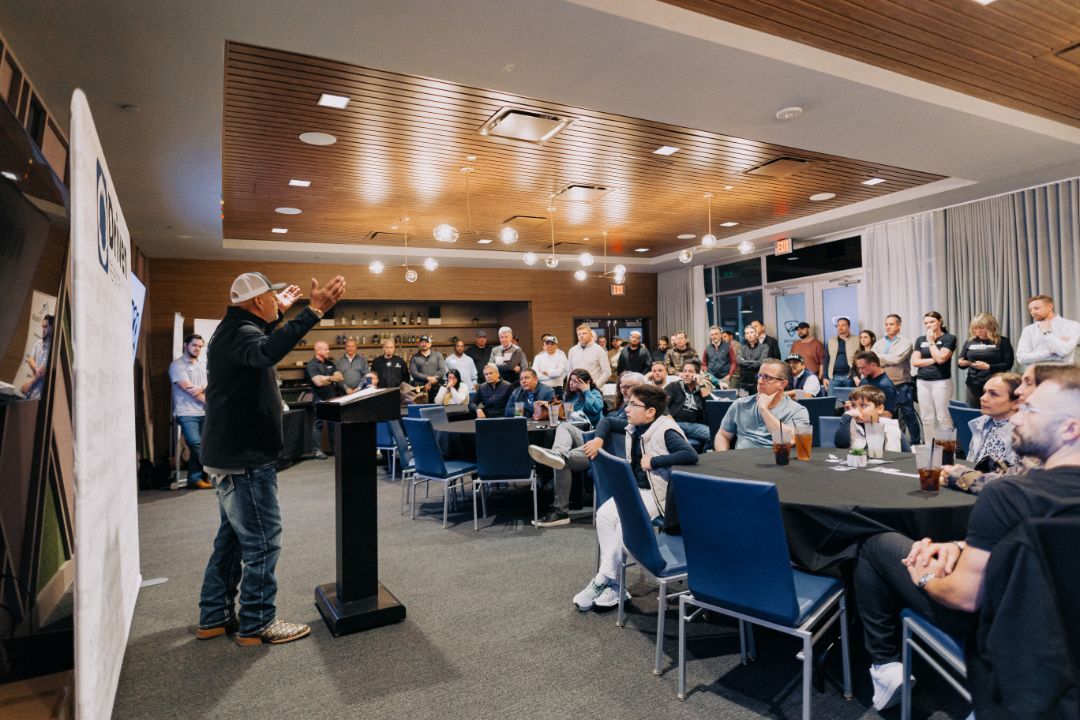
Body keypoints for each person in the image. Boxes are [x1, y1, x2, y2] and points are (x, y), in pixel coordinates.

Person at [851, 375, 1080, 711]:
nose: (1016, 416)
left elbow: (962, 595)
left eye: (1030, 410)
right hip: (1061, 650)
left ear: (1069, 430)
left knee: (875, 544)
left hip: (1006, 642)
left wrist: (924, 573)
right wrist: (960, 545)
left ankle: (884, 665)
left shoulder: (1008, 495)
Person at [198, 271, 344, 646]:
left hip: (228, 455)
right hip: (244, 458)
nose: (276, 300)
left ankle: (214, 616)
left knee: (231, 540)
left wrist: (278, 314)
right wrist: (314, 311)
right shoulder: (243, 333)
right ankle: (257, 623)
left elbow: (261, 343)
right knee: (263, 540)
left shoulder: (233, 330)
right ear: (254, 302)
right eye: (270, 297)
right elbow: (266, 350)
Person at [530, 384, 697, 569]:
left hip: (656, 494)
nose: (627, 408)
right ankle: (610, 580)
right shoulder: (634, 425)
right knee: (603, 515)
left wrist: (655, 460)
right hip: (636, 488)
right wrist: (599, 439)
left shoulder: (666, 430)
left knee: (622, 523)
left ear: (650, 412)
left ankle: (607, 579)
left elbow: (690, 455)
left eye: (633, 404)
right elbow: (607, 421)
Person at [939, 372, 1021, 491]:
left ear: (1016, 403)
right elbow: (973, 464)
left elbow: (1009, 483)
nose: (983, 398)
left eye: (993, 394)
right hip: (974, 485)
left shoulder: (1023, 435)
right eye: (984, 392)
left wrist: (960, 478)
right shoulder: (980, 424)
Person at [714, 359, 811, 450]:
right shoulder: (740, 405)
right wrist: (724, 457)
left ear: (782, 384)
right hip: (741, 462)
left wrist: (764, 410)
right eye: (759, 376)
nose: (760, 381)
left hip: (776, 463)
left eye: (767, 378)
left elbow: (791, 440)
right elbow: (723, 435)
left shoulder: (797, 410)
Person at [170, 333, 210, 488]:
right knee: (196, 444)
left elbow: (209, 384)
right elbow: (188, 390)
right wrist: (210, 402)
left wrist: (202, 387)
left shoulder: (202, 364)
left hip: (204, 412)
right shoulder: (177, 366)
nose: (197, 349)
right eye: (194, 345)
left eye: (200, 346)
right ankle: (199, 477)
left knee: (205, 445)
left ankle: (199, 478)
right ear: (185, 345)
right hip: (187, 413)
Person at [873, 314, 922, 444]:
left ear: (898, 325)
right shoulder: (879, 342)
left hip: (901, 383)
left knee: (908, 414)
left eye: (891, 324)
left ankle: (915, 443)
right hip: (883, 384)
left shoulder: (906, 342)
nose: (888, 327)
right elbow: (872, 359)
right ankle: (892, 443)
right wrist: (887, 359)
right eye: (886, 324)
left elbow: (897, 359)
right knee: (887, 415)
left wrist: (881, 358)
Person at [912, 311, 957, 438]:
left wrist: (931, 341)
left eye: (932, 321)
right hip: (922, 381)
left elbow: (942, 359)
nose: (929, 325)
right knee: (926, 417)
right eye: (926, 323)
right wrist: (934, 360)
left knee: (943, 417)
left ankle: (948, 451)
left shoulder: (949, 338)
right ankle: (929, 448)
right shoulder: (920, 340)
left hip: (941, 382)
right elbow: (915, 362)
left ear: (940, 321)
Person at [957, 313, 1015, 407]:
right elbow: (961, 361)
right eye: (975, 328)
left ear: (990, 327)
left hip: (995, 384)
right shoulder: (970, 341)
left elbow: (1008, 364)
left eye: (981, 328)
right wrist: (962, 363)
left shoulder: (1002, 342)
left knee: (994, 411)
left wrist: (988, 367)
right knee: (974, 413)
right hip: (973, 384)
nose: (977, 331)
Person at [1015, 294, 1080, 367]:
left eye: (1036, 308)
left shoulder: (1071, 325)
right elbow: (1021, 358)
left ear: (1050, 307)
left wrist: (1047, 332)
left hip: (1063, 374)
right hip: (1035, 374)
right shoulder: (1028, 329)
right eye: (1030, 310)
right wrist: (1050, 352)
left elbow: (1064, 351)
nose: (1033, 312)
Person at [833, 385, 903, 452]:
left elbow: (907, 454)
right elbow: (841, 445)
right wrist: (846, 416)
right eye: (853, 405)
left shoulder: (890, 426)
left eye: (863, 405)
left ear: (880, 409)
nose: (856, 410)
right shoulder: (849, 424)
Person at [305, 340, 344, 459]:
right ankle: (316, 450)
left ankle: (335, 449)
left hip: (333, 398)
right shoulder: (311, 365)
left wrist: (325, 378)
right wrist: (331, 378)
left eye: (328, 349)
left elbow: (340, 377)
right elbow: (317, 382)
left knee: (334, 424)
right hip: (319, 399)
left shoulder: (330, 363)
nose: (328, 351)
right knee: (319, 424)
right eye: (326, 349)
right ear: (318, 350)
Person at [665, 360, 713, 447]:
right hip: (676, 423)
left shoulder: (701, 390)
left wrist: (701, 384)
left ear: (697, 374)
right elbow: (662, 405)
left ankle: (703, 457)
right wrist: (672, 423)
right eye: (685, 371)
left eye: (690, 372)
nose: (686, 374)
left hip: (695, 426)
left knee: (714, 436)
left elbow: (711, 407)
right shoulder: (674, 386)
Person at [852, 351, 898, 415]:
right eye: (858, 368)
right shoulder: (863, 381)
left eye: (862, 368)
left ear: (873, 365)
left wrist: (866, 414)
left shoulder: (887, 387)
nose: (860, 371)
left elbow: (888, 414)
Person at [567, 324, 611, 388]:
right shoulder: (572, 351)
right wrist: (572, 385)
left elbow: (607, 372)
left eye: (584, 333)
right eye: (579, 334)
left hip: (593, 390)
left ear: (590, 335)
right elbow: (569, 371)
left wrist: (596, 385)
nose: (581, 336)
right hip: (576, 390)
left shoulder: (599, 350)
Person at [21, 314, 53, 399]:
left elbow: (42, 371)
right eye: (42, 327)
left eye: (45, 327)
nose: (43, 330)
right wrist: (35, 368)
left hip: (39, 394)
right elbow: (31, 359)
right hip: (29, 393)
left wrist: (29, 383)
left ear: (52, 328)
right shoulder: (38, 343)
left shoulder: (52, 349)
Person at [823, 316, 858, 392]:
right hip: (833, 377)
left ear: (849, 327)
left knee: (850, 401)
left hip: (850, 377)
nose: (840, 327)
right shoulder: (831, 341)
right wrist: (825, 377)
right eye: (838, 325)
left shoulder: (857, 340)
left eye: (843, 325)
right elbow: (826, 360)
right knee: (832, 401)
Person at [409, 335, 446, 401]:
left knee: (437, 409)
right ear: (419, 344)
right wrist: (427, 378)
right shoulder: (414, 358)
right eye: (422, 342)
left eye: (426, 342)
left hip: (436, 388)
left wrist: (429, 383)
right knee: (419, 409)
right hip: (420, 390)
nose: (424, 344)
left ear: (430, 344)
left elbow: (442, 371)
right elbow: (414, 373)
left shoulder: (438, 355)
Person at [736, 325, 768, 395]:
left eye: (751, 332)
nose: (749, 335)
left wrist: (745, 362)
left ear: (756, 334)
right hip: (743, 382)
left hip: (758, 382)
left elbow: (761, 363)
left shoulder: (764, 347)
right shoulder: (742, 348)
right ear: (745, 336)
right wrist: (755, 362)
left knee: (757, 403)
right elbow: (739, 361)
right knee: (743, 403)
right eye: (747, 333)